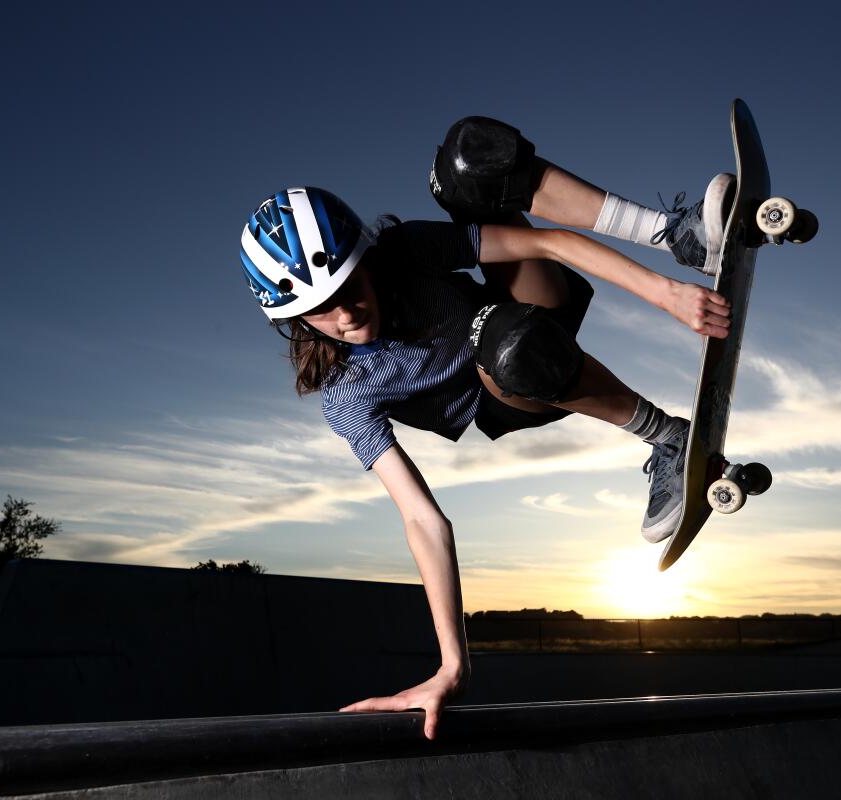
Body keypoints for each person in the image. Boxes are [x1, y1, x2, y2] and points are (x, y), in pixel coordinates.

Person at [237, 116, 733, 739]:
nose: (344, 314)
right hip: (507, 386)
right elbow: (423, 519)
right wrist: (451, 666)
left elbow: (549, 245)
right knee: (506, 345)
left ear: (366, 259)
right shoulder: (345, 396)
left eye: (349, 286)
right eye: (317, 311)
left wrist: (667, 291)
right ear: (293, 320)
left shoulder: (408, 253)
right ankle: (667, 438)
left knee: (469, 158)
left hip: (530, 306)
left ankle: (680, 235)